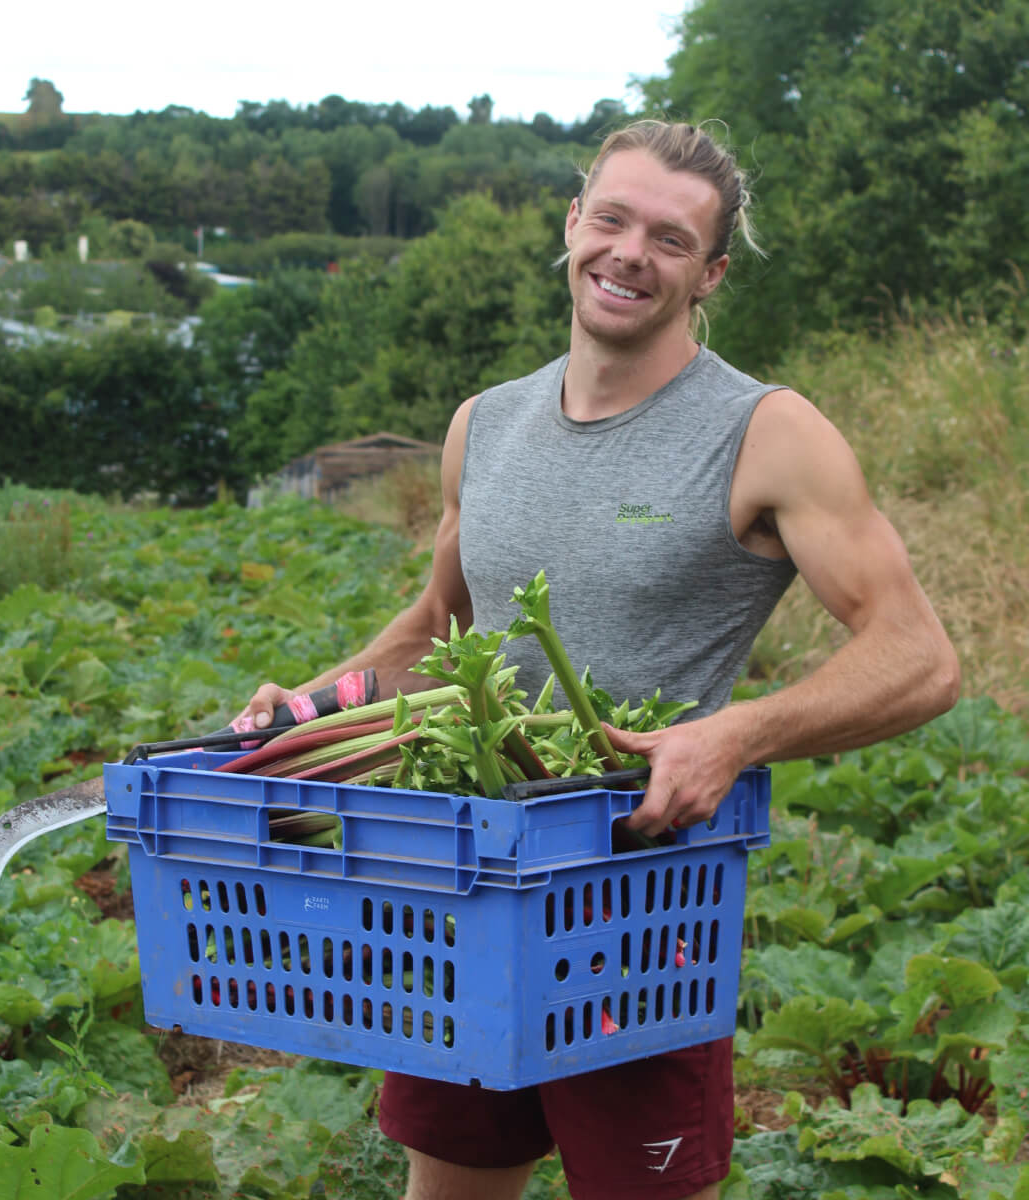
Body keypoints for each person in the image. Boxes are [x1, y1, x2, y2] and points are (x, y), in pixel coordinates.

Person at [235, 119, 960, 1200]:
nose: (630, 252)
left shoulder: (767, 432)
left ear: (709, 273)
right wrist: (319, 703)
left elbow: (919, 657)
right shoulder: (486, 425)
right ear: (573, 226)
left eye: (670, 239)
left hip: (635, 922)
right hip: (468, 897)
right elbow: (440, 628)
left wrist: (737, 734)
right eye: (611, 219)